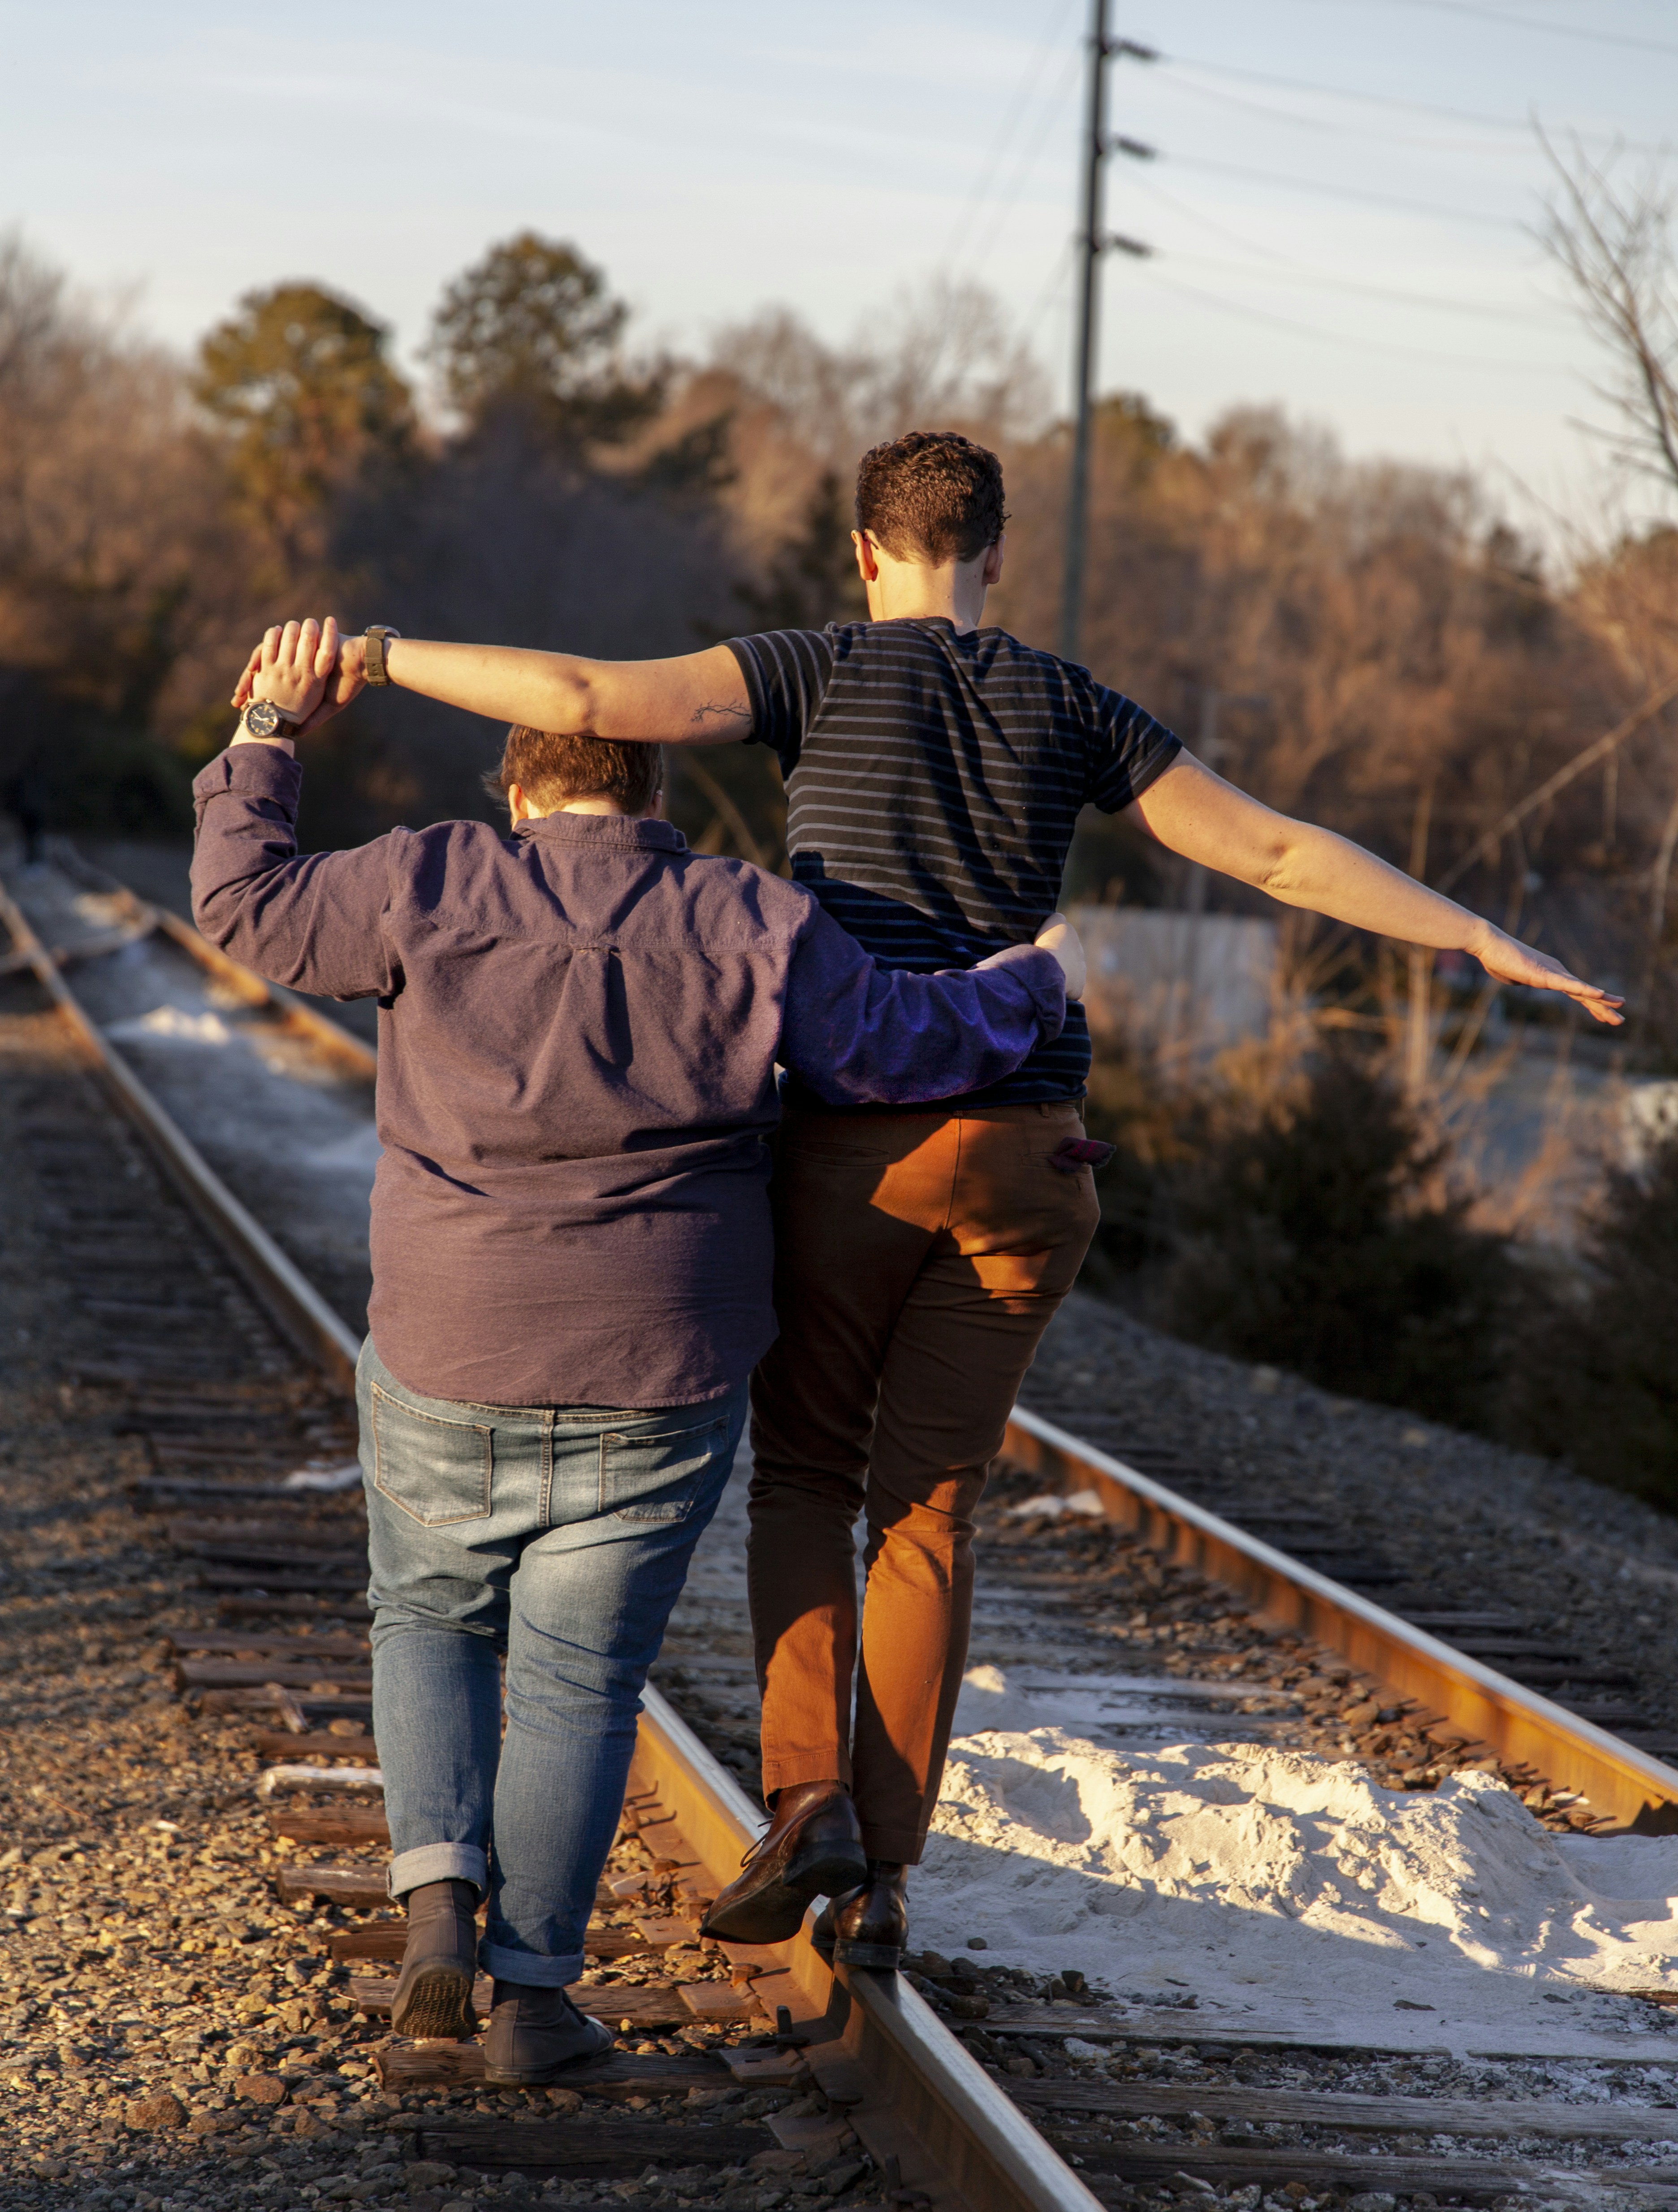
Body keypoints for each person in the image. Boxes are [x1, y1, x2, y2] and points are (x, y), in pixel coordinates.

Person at [238, 433, 1622, 1970]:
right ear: (997, 561)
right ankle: (888, 1882)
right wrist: (1482, 936)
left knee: (809, 1476)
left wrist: (367, 653)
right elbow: (1284, 854)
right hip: (1034, 1156)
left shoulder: (815, 667)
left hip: (864, 1149)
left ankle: (809, 1798)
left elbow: (581, 707)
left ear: (861, 551)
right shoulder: (1078, 705)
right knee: (935, 1511)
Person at [196, 615, 1084, 2079]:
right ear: (657, 796)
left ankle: (435, 1914)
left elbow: (244, 903)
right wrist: (1036, 979)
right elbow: (906, 1050)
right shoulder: (747, 916)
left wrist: (271, 734)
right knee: (578, 1680)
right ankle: (535, 2002)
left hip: (448, 1339)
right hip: (657, 1364)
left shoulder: (426, 878)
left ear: (522, 792)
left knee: (425, 1616)